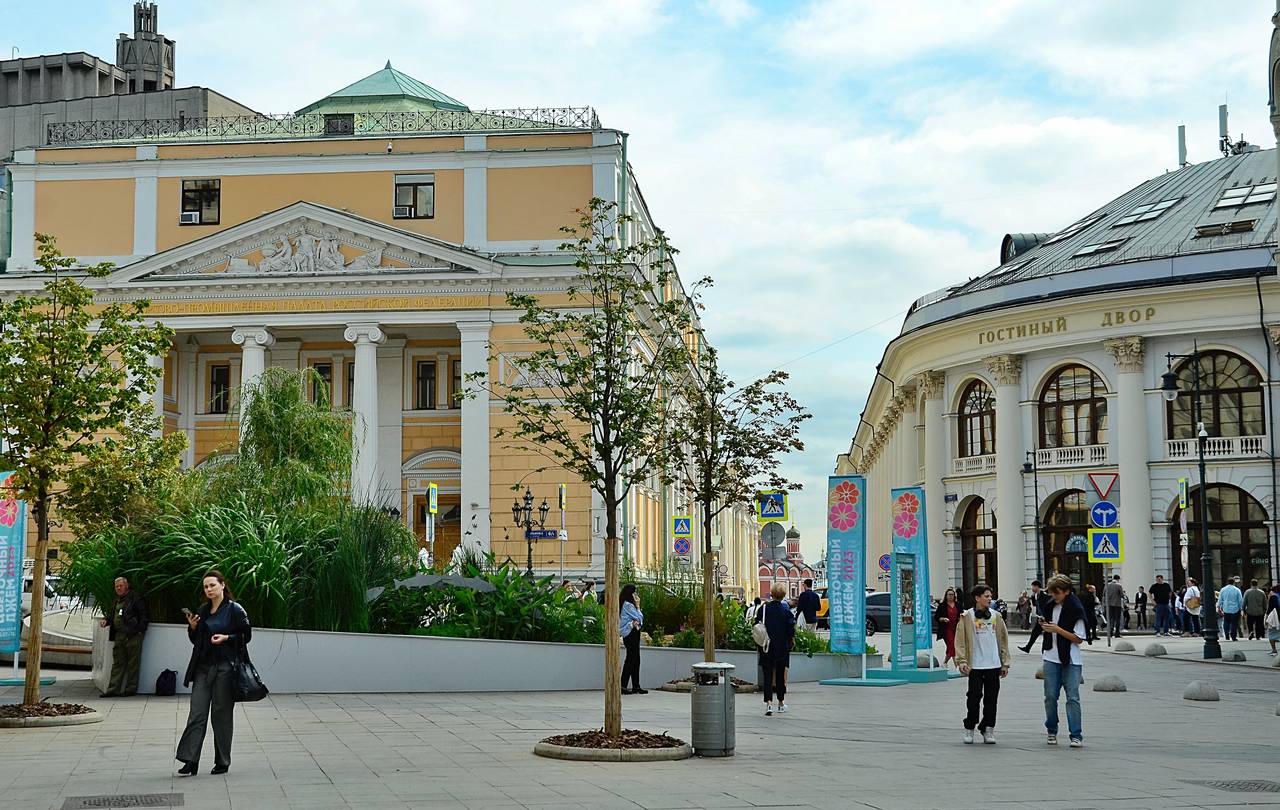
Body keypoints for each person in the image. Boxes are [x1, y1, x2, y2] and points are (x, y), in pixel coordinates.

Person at [176, 570, 251, 776]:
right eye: (206, 587)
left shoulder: (235, 609)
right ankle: (190, 760)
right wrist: (192, 628)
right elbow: (197, 641)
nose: (209, 589)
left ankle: (222, 760)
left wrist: (227, 637)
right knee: (196, 714)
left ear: (222, 585)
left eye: (212, 585)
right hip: (203, 668)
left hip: (226, 668)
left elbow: (247, 636)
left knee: (221, 715)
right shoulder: (203, 609)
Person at [954, 584, 1010, 745]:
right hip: (975, 666)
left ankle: (988, 729)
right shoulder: (967, 616)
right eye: (986, 596)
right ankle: (970, 728)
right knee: (973, 698)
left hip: (993, 664)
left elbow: (1004, 640)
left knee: (991, 700)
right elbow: (960, 641)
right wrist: (962, 661)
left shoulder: (996, 616)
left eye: (990, 596)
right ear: (977, 598)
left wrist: (1005, 663)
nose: (989, 598)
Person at [1040, 574, 1087, 748]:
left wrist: (1057, 629)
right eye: (1052, 593)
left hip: (1071, 660)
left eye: (1057, 593)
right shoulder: (1050, 606)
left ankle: (1076, 735)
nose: (1054, 596)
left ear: (1067, 591)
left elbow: (1078, 638)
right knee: (1050, 696)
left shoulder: (1075, 608)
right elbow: (1049, 630)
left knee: (1072, 697)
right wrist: (1045, 627)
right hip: (1051, 657)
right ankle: (1051, 730)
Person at [99, 576, 149, 697]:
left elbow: (144, 615)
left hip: (132, 635)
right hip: (119, 635)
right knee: (118, 663)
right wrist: (107, 620)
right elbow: (113, 615)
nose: (118, 588)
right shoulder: (117, 600)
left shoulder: (135, 598)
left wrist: (139, 631)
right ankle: (113, 689)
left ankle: (130, 689)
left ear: (126, 586)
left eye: (121, 586)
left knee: (133, 663)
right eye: (116, 586)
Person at [755, 583, 795, 715]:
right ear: (783, 595)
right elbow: (790, 630)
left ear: (771, 594)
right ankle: (781, 702)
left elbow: (757, 624)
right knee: (780, 675)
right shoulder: (786, 612)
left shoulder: (764, 609)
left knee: (767, 675)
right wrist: (791, 641)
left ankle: (768, 704)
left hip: (766, 646)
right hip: (782, 648)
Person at [619, 584, 646, 694]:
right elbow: (640, 618)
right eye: (634, 593)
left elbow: (640, 621)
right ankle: (623, 686)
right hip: (630, 634)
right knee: (631, 659)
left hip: (634, 633)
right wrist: (638, 606)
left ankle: (636, 685)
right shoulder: (628, 605)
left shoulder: (626, 604)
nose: (635, 595)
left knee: (636, 660)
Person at [1018, 580, 1050, 653]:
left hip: (1045, 618)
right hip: (1040, 617)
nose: (1032, 588)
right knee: (1034, 633)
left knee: (1047, 634)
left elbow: (1047, 605)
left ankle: (1044, 649)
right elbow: (1035, 605)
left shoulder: (1044, 594)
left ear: (1037, 586)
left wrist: (1045, 616)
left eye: (1033, 586)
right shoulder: (1034, 595)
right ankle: (1028, 648)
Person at [933, 587, 961, 667]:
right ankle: (957, 665)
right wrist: (943, 619)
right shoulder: (942, 605)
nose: (951, 596)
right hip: (946, 628)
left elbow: (961, 614)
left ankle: (945, 662)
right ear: (946, 596)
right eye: (949, 595)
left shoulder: (957, 604)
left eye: (952, 595)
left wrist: (960, 618)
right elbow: (936, 617)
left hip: (956, 628)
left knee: (952, 646)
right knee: (952, 644)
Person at [1217, 577, 1243, 642]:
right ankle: (1233, 636)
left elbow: (1220, 599)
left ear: (1227, 582)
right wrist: (1241, 608)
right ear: (1234, 582)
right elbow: (1240, 600)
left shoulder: (1223, 589)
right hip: (1235, 609)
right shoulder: (1237, 590)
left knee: (1226, 621)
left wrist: (1218, 606)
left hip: (1226, 608)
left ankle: (1227, 634)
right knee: (1234, 623)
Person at [1266, 584, 1280, 656]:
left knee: (1272, 634)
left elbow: (1270, 608)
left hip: (1276, 618)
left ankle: (1274, 650)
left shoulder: (1273, 596)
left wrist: (1266, 616)